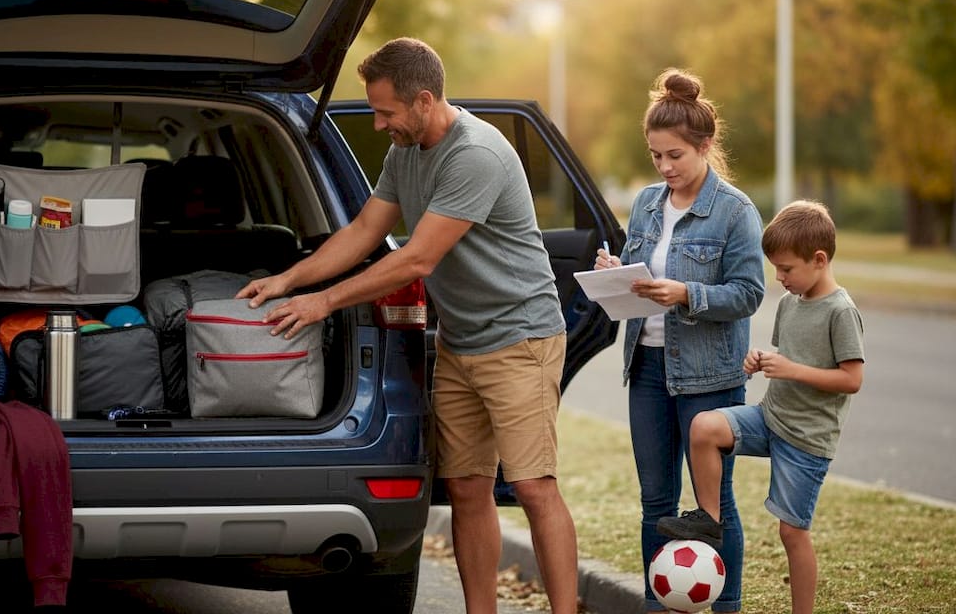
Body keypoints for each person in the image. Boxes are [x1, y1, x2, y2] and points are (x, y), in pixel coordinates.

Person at [236, 37, 580, 614]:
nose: (377, 124)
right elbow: (364, 232)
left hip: (520, 339)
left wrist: (325, 303)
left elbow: (418, 258)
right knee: (468, 489)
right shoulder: (407, 150)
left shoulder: (476, 154)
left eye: (385, 111)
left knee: (533, 487)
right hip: (460, 342)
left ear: (424, 101)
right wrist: (290, 280)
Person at [593, 68, 765, 614]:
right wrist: (616, 271)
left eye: (675, 156)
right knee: (656, 503)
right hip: (645, 368)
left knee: (716, 506)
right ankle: (656, 603)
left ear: (705, 147)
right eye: (656, 156)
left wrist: (686, 293)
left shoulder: (735, 211)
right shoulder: (646, 202)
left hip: (709, 375)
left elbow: (749, 292)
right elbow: (644, 273)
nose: (665, 168)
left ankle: (726, 605)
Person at [658, 199, 865, 614]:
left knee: (792, 533)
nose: (779, 278)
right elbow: (784, 358)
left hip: (807, 438)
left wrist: (790, 369)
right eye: (776, 268)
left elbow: (852, 379)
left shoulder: (840, 311)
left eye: (786, 269)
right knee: (704, 428)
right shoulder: (790, 304)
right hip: (770, 418)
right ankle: (710, 522)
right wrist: (758, 362)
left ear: (819, 260)